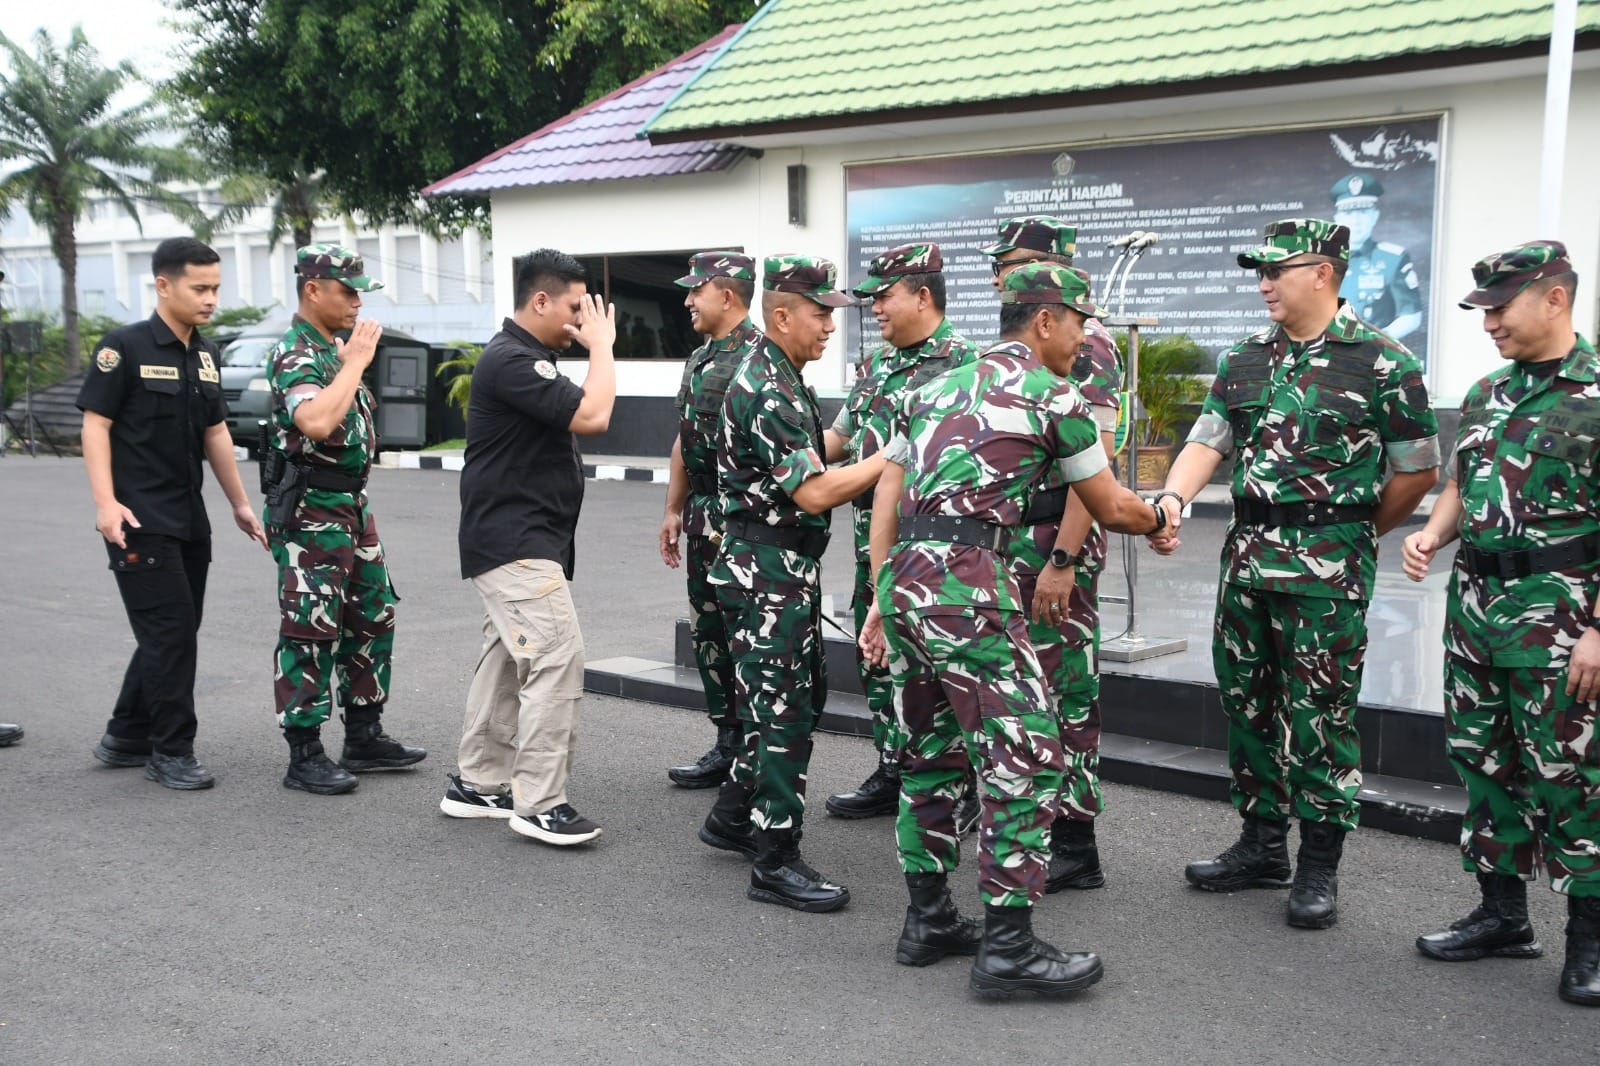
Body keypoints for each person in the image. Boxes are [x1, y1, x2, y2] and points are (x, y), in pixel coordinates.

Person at [857, 262, 1175, 997]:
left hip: (907, 579)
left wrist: (880, 592)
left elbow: (888, 494)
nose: (1085, 338)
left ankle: (928, 921)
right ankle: (1008, 948)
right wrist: (1162, 514)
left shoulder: (930, 390)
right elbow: (1111, 505)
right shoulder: (1057, 396)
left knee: (930, 756)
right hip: (971, 585)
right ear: (1044, 321)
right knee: (1026, 759)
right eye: (1079, 323)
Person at [1151, 219, 1440, 928]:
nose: (1264, 284)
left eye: (1276, 270)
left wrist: (1351, 533)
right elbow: (1207, 441)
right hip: (1247, 559)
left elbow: (1418, 470)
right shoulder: (1245, 357)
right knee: (1246, 704)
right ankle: (1260, 844)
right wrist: (1172, 499)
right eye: (1260, 272)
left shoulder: (1383, 361)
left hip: (1326, 572)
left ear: (1323, 272)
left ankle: (1318, 864)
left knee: (1321, 715)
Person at [1403, 240, 1599, 1007]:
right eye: (1481, 311)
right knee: (1483, 765)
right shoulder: (1488, 392)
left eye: (1500, 308)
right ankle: (1502, 916)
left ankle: (1589, 941)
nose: (1489, 324)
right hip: (1477, 617)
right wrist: (1432, 533)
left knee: (1572, 776)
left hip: (1562, 624)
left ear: (1555, 297)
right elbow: (1462, 479)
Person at [705, 254, 887, 912]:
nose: (830, 326)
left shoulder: (782, 375)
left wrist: (864, 439)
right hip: (766, 571)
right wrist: (892, 457)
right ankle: (775, 859)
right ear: (782, 316)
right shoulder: (767, 387)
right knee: (783, 712)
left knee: (786, 700)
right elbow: (812, 491)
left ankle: (733, 814)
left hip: (776, 568)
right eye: (820, 314)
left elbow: (810, 457)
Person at [76, 237, 268, 790]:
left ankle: (127, 734)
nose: (211, 299)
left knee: (176, 628)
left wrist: (239, 503)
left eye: (216, 288)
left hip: (188, 517)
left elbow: (216, 432)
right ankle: (171, 750)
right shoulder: (124, 347)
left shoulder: (204, 354)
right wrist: (105, 503)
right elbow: (95, 425)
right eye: (199, 288)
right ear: (163, 285)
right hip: (137, 519)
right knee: (171, 633)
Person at [442, 249, 616, 846]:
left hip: (511, 540)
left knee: (506, 661)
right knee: (556, 658)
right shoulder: (513, 359)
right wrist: (602, 346)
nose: (581, 320)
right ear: (540, 301)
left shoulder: (523, 358)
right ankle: (540, 803)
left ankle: (478, 783)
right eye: (575, 307)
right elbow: (594, 415)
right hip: (515, 544)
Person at [983, 215, 1121, 891]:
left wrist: (1062, 561)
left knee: (1067, 691)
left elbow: (1095, 464)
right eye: (999, 266)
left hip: (1054, 545)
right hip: (1013, 545)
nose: (1000, 276)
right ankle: (1030, 823)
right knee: (1022, 689)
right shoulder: (1013, 346)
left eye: (1013, 264)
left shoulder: (1085, 343)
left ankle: (1074, 840)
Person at [820, 243, 980, 823]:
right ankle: (895, 769)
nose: (875, 309)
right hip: (874, 541)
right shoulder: (877, 365)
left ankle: (960, 787)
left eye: (884, 297)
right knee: (876, 658)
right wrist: (784, 456)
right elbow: (840, 437)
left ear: (923, 295)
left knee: (939, 665)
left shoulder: (968, 366)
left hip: (934, 548)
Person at [264, 244, 426, 796]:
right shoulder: (295, 353)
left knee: (372, 614)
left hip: (351, 505)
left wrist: (348, 360)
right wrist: (354, 362)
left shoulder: (332, 350)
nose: (358, 303)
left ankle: (364, 734)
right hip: (311, 509)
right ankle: (304, 752)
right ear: (313, 290)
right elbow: (313, 421)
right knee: (310, 627)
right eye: (348, 291)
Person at [659, 252, 762, 797]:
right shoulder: (699, 359)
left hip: (743, 517)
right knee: (709, 631)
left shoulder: (762, 359)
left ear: (726, 295)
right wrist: (673, 509)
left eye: (695, 291)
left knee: (749, 633)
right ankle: (726, 741)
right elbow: (684, 437)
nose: (687, 301)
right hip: (702, 515)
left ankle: (755, 749)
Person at [1331, 173, 1423, 341]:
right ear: (1337, 219)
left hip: (1374, 353)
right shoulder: (1319, 261)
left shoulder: (1392, 260)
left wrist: (1374, 341)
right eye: (1349, 214)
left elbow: (1412, 316)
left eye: (1363, 212)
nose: (1356, 221)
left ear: (1375, 216)